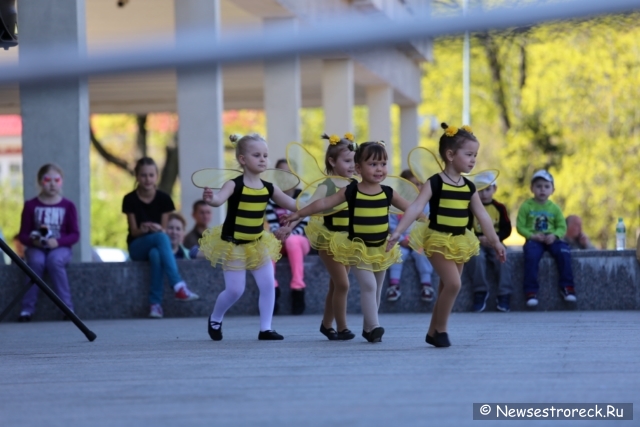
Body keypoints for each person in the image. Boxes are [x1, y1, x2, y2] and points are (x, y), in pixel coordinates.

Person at [388, 124, 507, 348]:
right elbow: (415, 208)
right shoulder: (435, 182)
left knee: (446, 286)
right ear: (450, 155)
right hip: (437, 238)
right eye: (469, 155)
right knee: (454, 284)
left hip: (460, 241)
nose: (473, 160)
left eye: (475, 155)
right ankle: (441, 331)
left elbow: (482, 216)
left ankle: (433, 331)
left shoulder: (469, 187)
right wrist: (397, 232)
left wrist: (496, 241)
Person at [284, 140, 415, 343]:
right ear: (358, 168)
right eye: (372, 164)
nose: (379, 169)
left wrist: (420, 222)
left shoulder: (387, 192)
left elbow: (412, 209)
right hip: (353, 245)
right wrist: (296, 216)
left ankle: (360, 325)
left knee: (375, 288)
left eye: (383, 164)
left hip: (381, 247)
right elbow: (323, 203)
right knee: (361, 285)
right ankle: (370, 327)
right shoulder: (350, 190)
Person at [200, 134, 298, 341]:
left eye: (265, 155)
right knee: (235, 290)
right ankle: (216, 317)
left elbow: (293, 204)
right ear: (243, 159)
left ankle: (266, 328)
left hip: (257, 243)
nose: (263, 159)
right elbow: (218, 200)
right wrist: (211, 199)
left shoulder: (269, 188)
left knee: (268, 285)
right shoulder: (234, 184)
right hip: (232, 244)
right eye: (257, 155)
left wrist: (322, 204)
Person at [287, 134, 358, 340]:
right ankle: (343, 327)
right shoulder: (326, 185)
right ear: (332, 161)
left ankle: (327, 325)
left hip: (348, 240)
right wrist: (290, 226)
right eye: (347, 161)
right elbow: (308, 208)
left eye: (354, 160)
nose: (352, 165)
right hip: (328, 239)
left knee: (336, 285)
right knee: (343, 284)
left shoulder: (356, 184)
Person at [122, 157, 199, 319]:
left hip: (157, 245)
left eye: (151, 175)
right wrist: (143, 230)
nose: (147, 179)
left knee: (156, 253)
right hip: (137, 245)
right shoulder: (129, 199)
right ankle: (178, 285)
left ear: (156, 176)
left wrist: (158, 229)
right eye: (143, 175)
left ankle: (155, 304)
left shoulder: (164, 199)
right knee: (160, 238)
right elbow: (133, 231)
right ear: (136, 176)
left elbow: (164, 230)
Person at [17, 164, 79, 322]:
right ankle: (27, 309)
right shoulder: (31, 205)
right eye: (47, 180)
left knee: (54, 261)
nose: (52, 184)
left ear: (61, 182)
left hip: (60, 248)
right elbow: (23, 235)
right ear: (40, 182)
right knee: (36, 263)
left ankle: (67, 308)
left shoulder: (68, 205)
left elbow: (75, 234)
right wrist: (34, 241)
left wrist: (57, 242)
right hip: (36, 248)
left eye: (56, 180)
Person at [516, 169, 576, 307]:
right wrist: (532, 235)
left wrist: (554, 235)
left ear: (552, 190)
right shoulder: (526, 206)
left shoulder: (554, 208)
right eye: (538, 186)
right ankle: (530, 291)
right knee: (531, 256)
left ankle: (567, 288)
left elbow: (562, 226)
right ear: (532, 188)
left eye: (546, 186)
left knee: (564, 252)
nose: (542, 189)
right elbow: (520, 226)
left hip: (552, 239)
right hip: (534, 239)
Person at [463, 171, 513, 313]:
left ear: (494, 189)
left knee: (503, 259)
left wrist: (495, 238)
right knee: (476, 257)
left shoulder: (499, 207)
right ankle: (480, 291)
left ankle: (504, 293)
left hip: (495, 241)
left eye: (487, 189)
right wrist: (477, 239)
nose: (484, 194)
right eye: (480, 190)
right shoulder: (470, 208)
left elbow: (506, 229)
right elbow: (465, 227)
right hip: (476, 241)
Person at [266, 158, 310, 315]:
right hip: (279, 240)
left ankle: (298, 288)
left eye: (288, 172)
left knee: (292, 240)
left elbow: (305, 226)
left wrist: (288, 233)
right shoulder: (271, 200)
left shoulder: (304, 197)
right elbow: (272, 225)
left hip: (300, 241)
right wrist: (279, 235)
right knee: (268, 242)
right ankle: (272, 287)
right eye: (280, 173)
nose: (284, 176)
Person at [385, 169, 435, 303]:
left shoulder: (426, 206)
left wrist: (419, 240)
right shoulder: (396, 205)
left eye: (419, 184)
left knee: (422, 254)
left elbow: (428, 224)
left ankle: (426, 284)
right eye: (412, 184)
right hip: (401, 241)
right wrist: (401, 239)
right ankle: (394, 284)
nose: (416, 187)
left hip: (419, 243)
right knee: (396, 253)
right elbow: (392, 225)